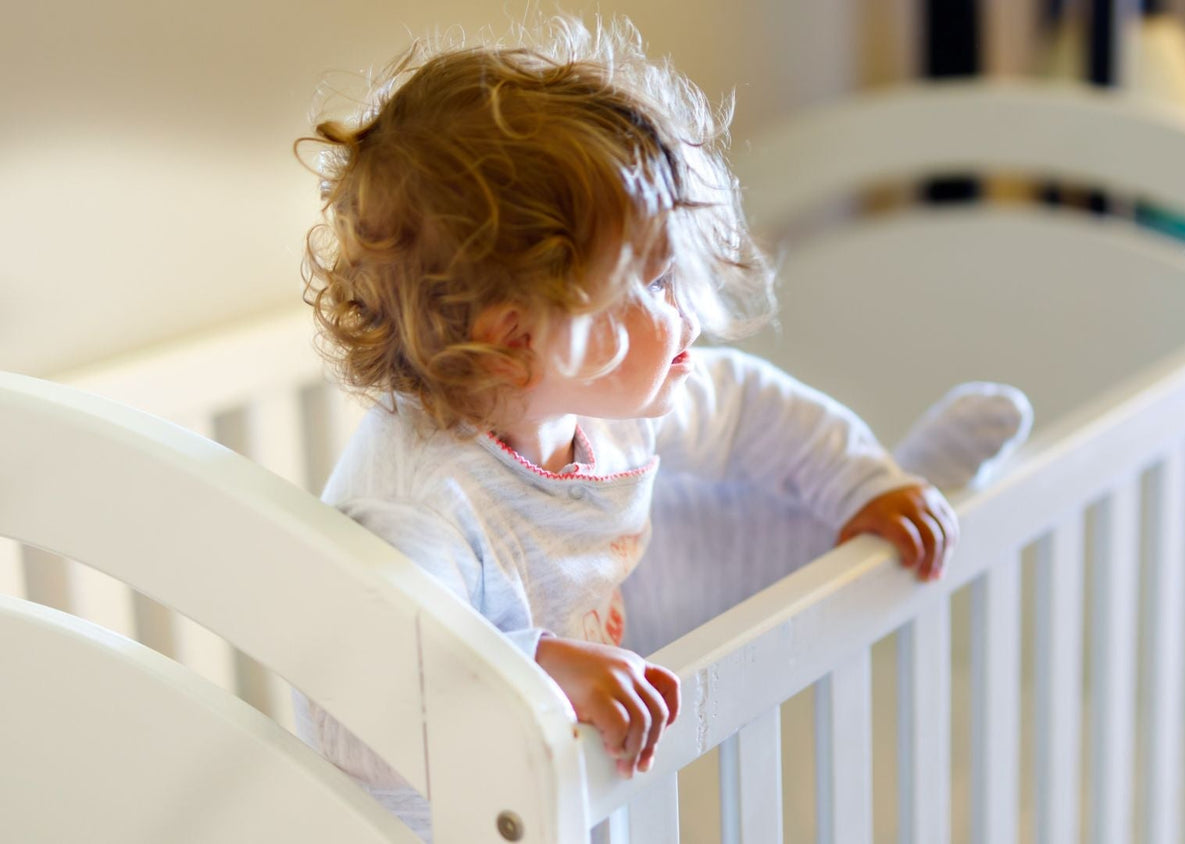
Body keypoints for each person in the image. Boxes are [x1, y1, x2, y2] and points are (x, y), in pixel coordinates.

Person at [294, 17, 999, 841]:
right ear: (520, 336)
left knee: (723, 505)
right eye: (655, 283)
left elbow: (747, 408)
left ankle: (870, 516)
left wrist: (863, 480)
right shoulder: (419, 502)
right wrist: (540, 669)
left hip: (568, 773)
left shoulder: (595, 406)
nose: (686, 309)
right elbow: (360, 703)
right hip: (447, 818)